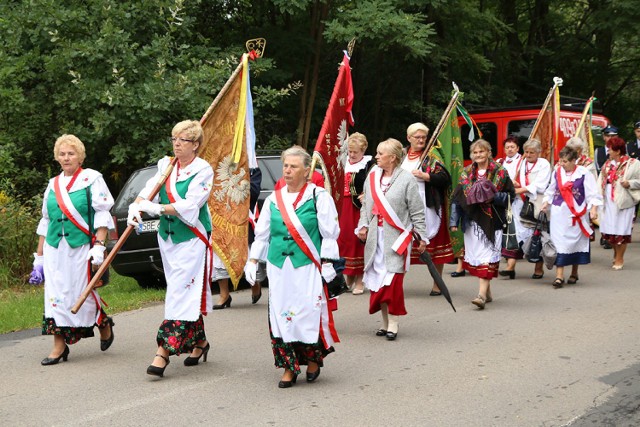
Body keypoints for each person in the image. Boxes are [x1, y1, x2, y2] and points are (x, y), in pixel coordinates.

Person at [246, 146, 340, 389]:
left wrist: (328, 262)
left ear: (306, 171)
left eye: (293, 166)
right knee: (281, 314)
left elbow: (329, 234)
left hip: (306, 266)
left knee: (307, 312)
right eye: (285, 166)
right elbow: (262, 235)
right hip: (279, 268)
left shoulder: (319, 197)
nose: (287, 170)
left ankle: (312, 358)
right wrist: (253, 260)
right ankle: (288, 365)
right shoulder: (273, 201)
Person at [128, 120, 214, 378]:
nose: (176, 143)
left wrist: (159, 209)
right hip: (167, 237)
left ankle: (163, 352)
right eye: (174, 138)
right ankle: (199, 342)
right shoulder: (166, 165)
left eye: (183, 140)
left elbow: (191, 204)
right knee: (182, 289)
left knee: (179, 291)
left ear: (195, 145)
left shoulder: (203, 170)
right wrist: (139, 205)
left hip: (192, 237)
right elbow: (149, 191)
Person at [34, 134, 115, 365]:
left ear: (80, 156)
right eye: (62, 154)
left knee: (83, 293)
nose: (66, 157)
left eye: (71, 153)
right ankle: (59, 345)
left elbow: (102, 215)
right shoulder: (53, 184)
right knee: (54, 296)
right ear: (57, 157)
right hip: (54, 250)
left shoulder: (92, 179)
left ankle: (102, 322)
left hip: (81, 248)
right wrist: (38, 257)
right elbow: (46, 221)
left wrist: (99, 245)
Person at [357, 138, 428, 340]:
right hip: (374, 240)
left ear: (393, 158)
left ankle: (394, 324)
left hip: (396, 240)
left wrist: (422, 236)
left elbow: (417, 211)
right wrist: (363, 225)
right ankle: (385, 323)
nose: (376, 156)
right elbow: (366, 207)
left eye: (380, 153)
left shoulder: (406, 179)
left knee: (393, 284)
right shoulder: (372, 177)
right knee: (378, 282)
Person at [450, 139, 515, 309]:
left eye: (482, 151)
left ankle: (480, 295)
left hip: (493, 221)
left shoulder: (500, 172)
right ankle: (487, 292)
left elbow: (510, 196)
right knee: (479, 258)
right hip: (472, 222)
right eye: (475, 152)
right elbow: (457, 199)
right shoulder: (466, 174)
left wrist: (493, 196)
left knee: (487, 257)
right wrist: (454, 221)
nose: (478, 155)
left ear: (488, 152)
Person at [401, 123, 453, 296]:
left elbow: (445, 178)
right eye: (418, 137)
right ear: (409, 138)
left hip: (427, 205)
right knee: (402, 244)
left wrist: (426, 176)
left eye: (424, 137)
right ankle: (396, 282)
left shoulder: (431, 156)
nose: (421, 140)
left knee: (434, 245)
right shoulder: (400, 155)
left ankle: (437, 283)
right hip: (404, 206)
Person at [541, 146, 601, 288]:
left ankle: (574, 272)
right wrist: (545, 202)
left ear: (575, 160)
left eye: (565, 161)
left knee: (574, 242)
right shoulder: (557, 172)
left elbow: (593, 194)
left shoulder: (584, 173)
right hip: (558, 214)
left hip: (577, 214)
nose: (562, 164)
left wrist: (593, 208)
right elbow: (551, 190)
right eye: (560, 161)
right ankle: (559, 276)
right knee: (558, 242)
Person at [500, 138, 551, 280]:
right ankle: (510, 266)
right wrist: (514, 184)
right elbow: (517, 181)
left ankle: (538, 267)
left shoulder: (544, 164)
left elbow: (540, 185)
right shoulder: (521, 164)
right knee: (514, 233)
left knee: (537, 235)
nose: (528, 155)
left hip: (538, 203)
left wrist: (520, 190)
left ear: (539, 152)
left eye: (532, 153)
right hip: (520, 204)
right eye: (526, 152)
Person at [337, 132, 373, 295]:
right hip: (341, 207)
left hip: (358, 208)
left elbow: (376, 184)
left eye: (355, 152)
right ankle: (348, 275)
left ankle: (360, 278)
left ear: (363, 150)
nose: (351, 155)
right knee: (343, 240)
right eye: (350, 152)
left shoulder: (369, 165)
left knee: (358, 241)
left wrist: (367, 193)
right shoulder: (342, 163)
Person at [596, 136, 640, 270]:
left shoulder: (633, 163)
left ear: (618, 151)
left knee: (621, 230)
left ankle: (620, 258)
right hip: (608, 200)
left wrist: (630, 183)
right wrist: (598, 200)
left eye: (610, 149)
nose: (608, 151)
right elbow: (600, 181)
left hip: (624, 201)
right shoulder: (607, 164)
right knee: (610, 231)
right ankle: (616, 253)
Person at [496, 136, 524, 277]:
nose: (510, 149)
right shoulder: (499, 162)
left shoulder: (523, 162)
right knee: (505, 231)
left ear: (518, 148)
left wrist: (517, 183)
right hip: (503, 201)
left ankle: (510, 266)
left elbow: (527, 180)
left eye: (512, 147)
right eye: (507, 147)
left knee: (516, 231)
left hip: (518, 201)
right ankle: (510, 265)